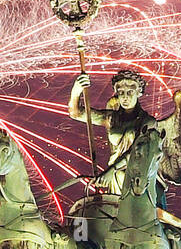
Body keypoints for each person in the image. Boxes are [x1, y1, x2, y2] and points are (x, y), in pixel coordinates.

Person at [68, 68, 164, 201]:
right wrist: (76, 90)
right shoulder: (111, 118)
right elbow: (76, 113)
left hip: (137, 177)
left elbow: (137, 152)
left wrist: (112, 170)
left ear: (139, 93)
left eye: (130, 92)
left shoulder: (148, 122)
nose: (125, 97)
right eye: (121, 92)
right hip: (113, 175)